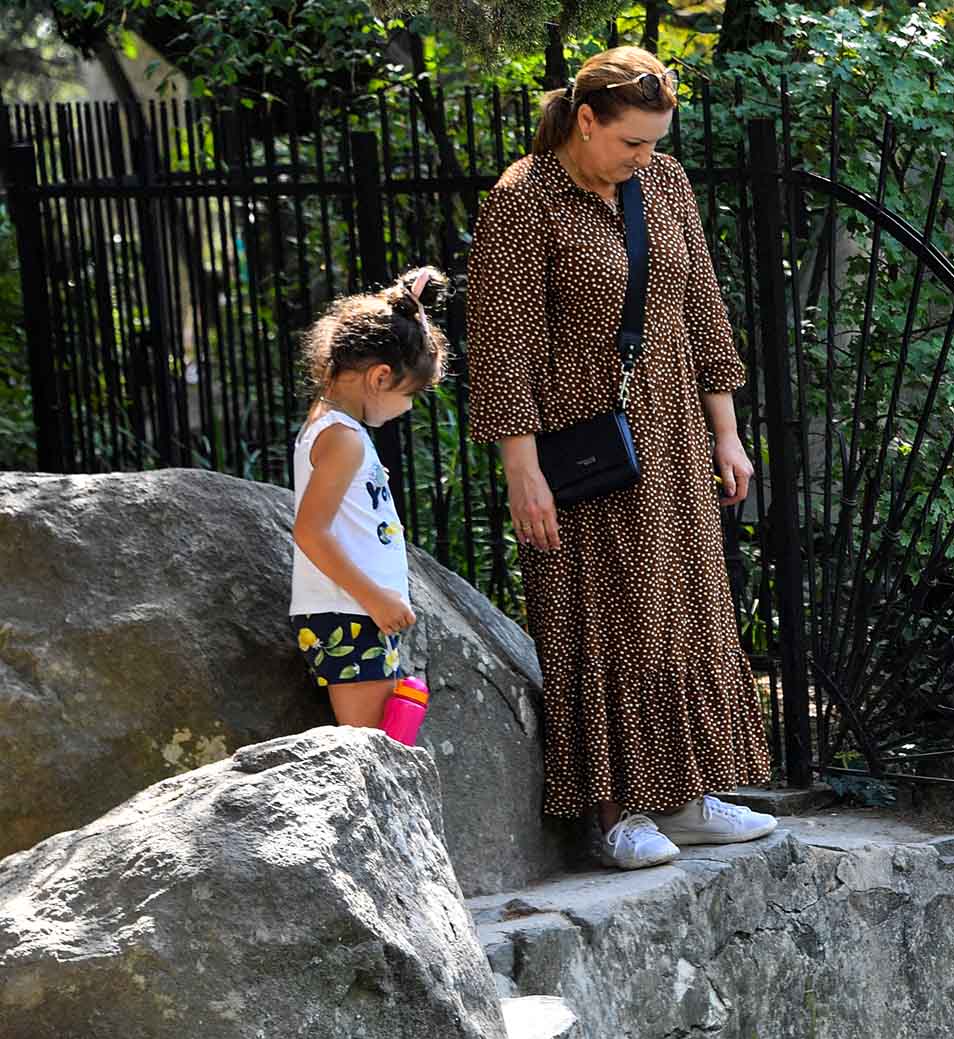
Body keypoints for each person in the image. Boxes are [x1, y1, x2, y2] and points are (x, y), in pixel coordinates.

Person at [466, 46, 777, 870]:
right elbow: (502, 350)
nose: (644, 156)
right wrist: (523, 471)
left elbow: (703, 309)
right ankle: (615, 813)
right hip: (584, 445)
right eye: (631, 141)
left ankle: (688, 795)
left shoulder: (664, 183)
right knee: (607, 616)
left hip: (673, 435)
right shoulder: (523, 200)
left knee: (686, 604)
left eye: (654, 142)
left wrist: (726, 430)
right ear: (585, 119)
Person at [290, 268, 446, 726]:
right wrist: (375, 599)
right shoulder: (343, 438)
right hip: (351, 613)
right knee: (370, 746)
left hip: (356, 612)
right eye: (411, 393)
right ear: (380, 377)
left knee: (383, 739)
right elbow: (310, 532)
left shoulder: (334, 427)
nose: (409, 407)